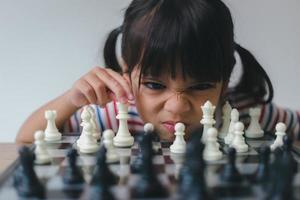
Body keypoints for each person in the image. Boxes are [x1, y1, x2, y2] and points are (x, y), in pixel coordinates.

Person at [16, 0, 299, 143]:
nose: (176, 106)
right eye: (154, 84)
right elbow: (26, 141)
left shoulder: (248, 114)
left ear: (224, 82)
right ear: (126, 74)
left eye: (200, 86)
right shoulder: (113, 117)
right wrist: (71, 100)